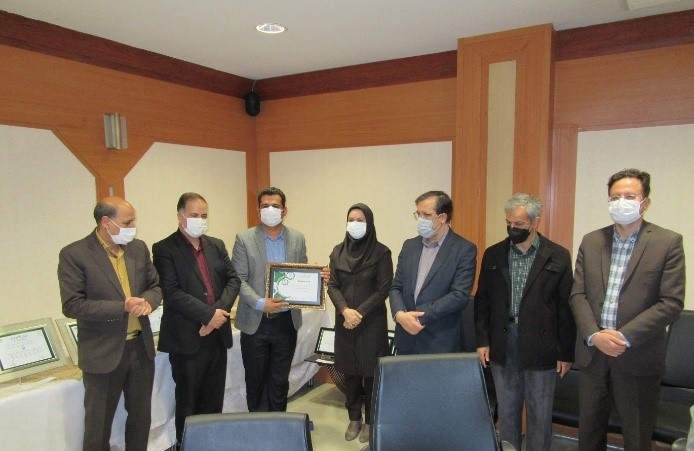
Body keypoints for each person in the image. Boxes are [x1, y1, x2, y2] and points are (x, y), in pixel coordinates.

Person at [570, 169, 685, 451]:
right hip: (593, 355)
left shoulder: (667, 242)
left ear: (645, 202)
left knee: (636, 438)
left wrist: (622, 337)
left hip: (637, 355)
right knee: (589, 436)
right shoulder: (591, 241)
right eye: (615, 197)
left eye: (630, 196)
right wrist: (595, 335)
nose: (621, 202)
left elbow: (671, 302)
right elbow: (578, 294)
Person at [58, 196, 162, 451]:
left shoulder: (138, 248)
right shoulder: (75, 254)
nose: (133, 227)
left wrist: (148, 301)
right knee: (98, 427)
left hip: (140, 349)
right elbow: (73, 305)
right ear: (106, 222)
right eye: (127, 222)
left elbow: (155, 287)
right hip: (102, 352)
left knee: (140, 420)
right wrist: (122, 306)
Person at [474, 193, 575, 451]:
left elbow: (566, 308)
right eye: (508, 223)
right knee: (507, 413)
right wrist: (483, 340)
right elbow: (482, 301)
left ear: (534, 222)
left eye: (519, 224)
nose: (512, 228)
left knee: (540, 414)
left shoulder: (558, 256)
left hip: (542, 344)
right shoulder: (494, 254)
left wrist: (565, 353)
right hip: (502, 341)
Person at [153, 193, 241, 445]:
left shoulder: (216, 245)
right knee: (188, 402)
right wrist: (208, 315)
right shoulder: (164, 249)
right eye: (194, 215)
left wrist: (217, 315)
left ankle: (212, 445)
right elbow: (171, 292)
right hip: (186, 338)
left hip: (216, 335)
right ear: (180, 216)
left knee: (214, 400)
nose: (200, 220)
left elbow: (233, 280)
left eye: (204, 215)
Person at [232, 187, 327, 412]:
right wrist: (260, 302)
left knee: (280, 381)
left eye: (275, 206)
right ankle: (258, 428)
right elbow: (237, 279)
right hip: (255, 321)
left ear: (285, 210)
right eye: (265, 206)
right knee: (255, 382)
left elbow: (301, 272)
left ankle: (278, 425)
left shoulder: (297, 238)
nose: (270, 210)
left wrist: (318, 276)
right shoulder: (244, 239)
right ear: (258, 210)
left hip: (286, 323)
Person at [328, 203, 393, 443]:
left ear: (370, 223)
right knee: (350, 373)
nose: (354, 224)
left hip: (371, 323)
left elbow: (383, 289)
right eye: (351, 220)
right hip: (345, 321)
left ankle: (370, 421)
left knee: (371, 374)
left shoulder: (382, 253)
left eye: (360, 220)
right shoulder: (337, 252)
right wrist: (345, 311)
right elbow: (332, 285)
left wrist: (358, 313)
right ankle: (354, 417)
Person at [389, 190, 477, 354]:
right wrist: (400, 315)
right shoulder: (409, 246)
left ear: (442, 217)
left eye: (426, 215)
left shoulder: (464, 250)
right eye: (418, 214)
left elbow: (459, 296)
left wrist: (419, 318)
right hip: (405, 341)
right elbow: (396, 287)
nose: (420, 219)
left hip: (440, 342)